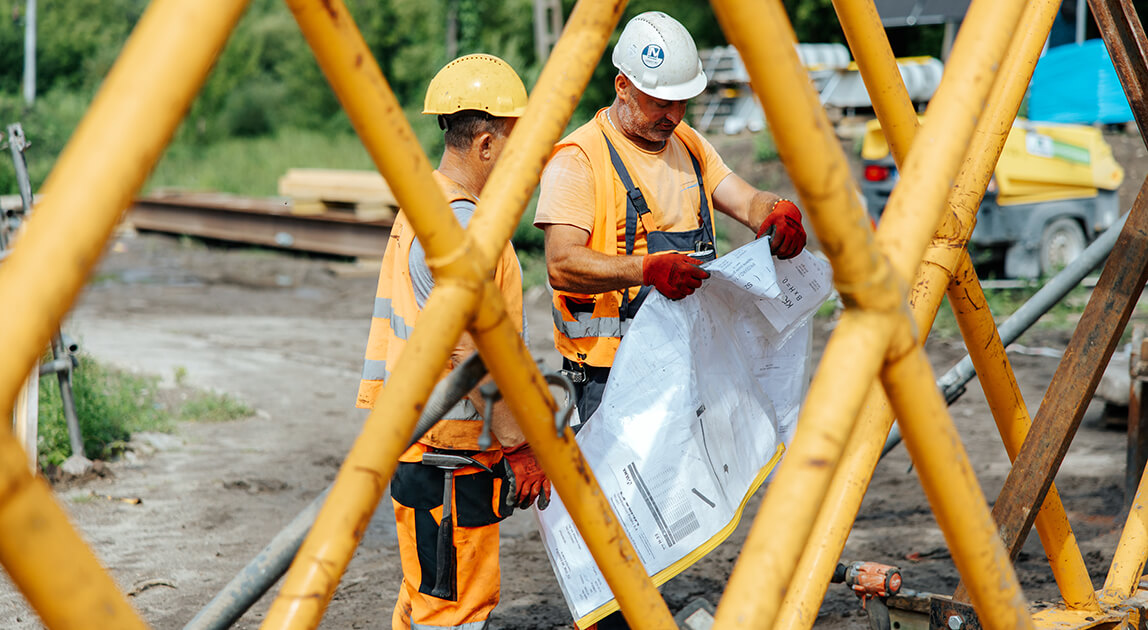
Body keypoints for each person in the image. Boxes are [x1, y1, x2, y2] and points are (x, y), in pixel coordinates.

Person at [534, 11, 808, 427]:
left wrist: (776, 211)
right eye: (662, 103)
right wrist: (646, 269)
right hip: (612, 380)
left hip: (694, 362)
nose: (675, 115)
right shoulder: (580, 159)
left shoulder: (687, 144)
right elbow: (562, 264)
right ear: (623, 87)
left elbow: (747, 200)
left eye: (683, 102)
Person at [356, 53, 551, 630]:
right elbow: (471, 350)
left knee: (426, 600)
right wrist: (518, 442)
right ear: (486, 145)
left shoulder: (432, 208)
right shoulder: (462, 227)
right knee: (454, 610)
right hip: (448, 453)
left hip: (426, 442)